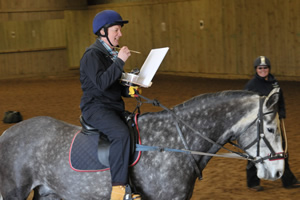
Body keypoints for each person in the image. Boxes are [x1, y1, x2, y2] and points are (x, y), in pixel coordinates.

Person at [79, 10, 141, 200]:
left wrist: (131, 89)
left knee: (135, 127)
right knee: (120, 134)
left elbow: (113, 86)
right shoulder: (92, 55)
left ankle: (133, 184)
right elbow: (102, 83)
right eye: (116, 30)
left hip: (112, 106)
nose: (120, 34)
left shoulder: (109, 55)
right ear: (103, 32)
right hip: (95, 108)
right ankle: (118, 190)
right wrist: (120, 61)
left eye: (120, 30)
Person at [244, 56, 300, 191]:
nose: (263, 70)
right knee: (256, 152)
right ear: (256, 69)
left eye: (265, 68)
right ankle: (252, 183)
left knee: (281, 150)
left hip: (273, 123)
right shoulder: (251, 86)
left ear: (269, 69)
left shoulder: (274, 83)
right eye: (260, 68)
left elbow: (280, 99)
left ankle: (288, 180)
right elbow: (246, 106)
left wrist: (282, 112)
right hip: (258, 124)